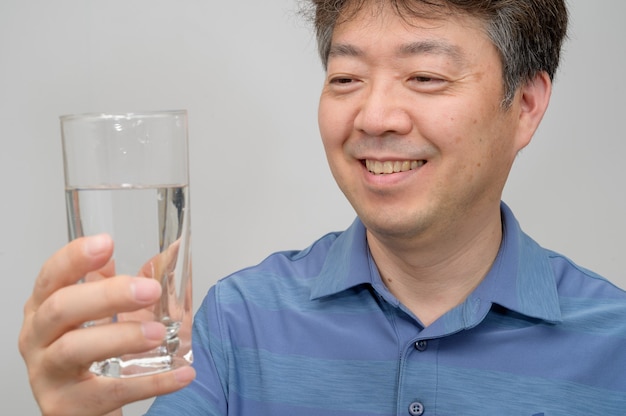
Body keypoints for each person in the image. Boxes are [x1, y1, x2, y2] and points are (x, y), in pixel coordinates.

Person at [19, 0, 626, 415]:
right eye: (345, 78)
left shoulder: (614, 345)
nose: (374, 117)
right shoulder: (239, 320)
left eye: (425, 77)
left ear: (524, 105)